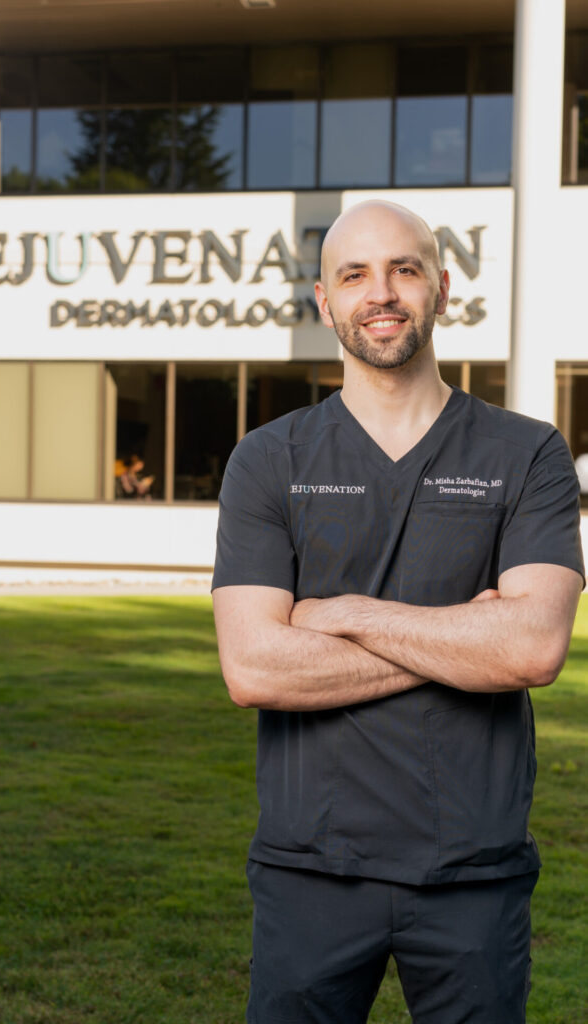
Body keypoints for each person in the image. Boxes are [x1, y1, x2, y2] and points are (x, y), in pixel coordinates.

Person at [211, 200, 584, 1024]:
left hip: (472, 876)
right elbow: (252, 667)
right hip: (310, 869)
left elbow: (529, 651)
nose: (380, 293)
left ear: (442, 288)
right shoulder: (268, 460)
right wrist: (462, 632)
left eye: (403, 269)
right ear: (323, 301)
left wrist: (340, 612)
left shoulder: (526, 453)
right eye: (354, 275)